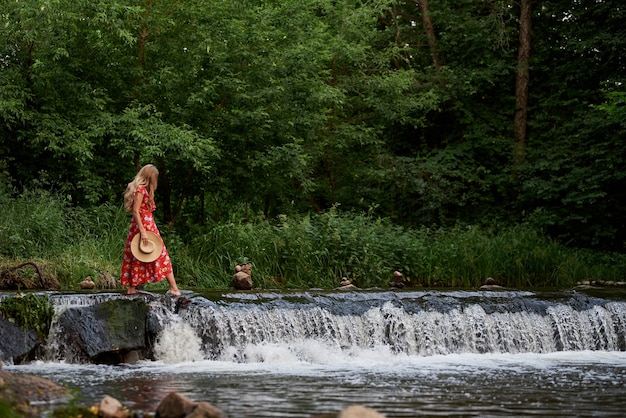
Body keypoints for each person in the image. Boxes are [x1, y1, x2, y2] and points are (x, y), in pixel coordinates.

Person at [120, 164, 181, 296]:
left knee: (135, 255)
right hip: (145, 227)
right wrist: (143, 232)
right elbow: (136, 211)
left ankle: (132, 288)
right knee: (161, 254)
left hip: (141, 226)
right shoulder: (141, 190)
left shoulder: (141, 190)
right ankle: (173, 288)